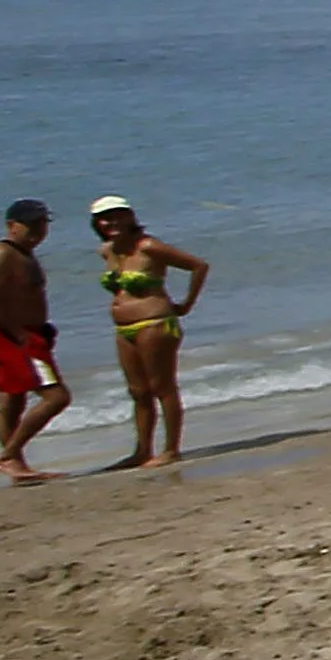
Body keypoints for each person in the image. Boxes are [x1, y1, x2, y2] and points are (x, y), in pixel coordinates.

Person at [84, 198, 209, 469]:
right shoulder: (106, 251)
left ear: (130, 217)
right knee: (138, 391)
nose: (111, 222)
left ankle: (171, 449)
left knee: (162, 387)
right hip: (124, 329)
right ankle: (142, 451)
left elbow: (198, 266)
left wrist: (186, 304)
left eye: (117, 216)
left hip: (155, 324)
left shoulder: (149, 247)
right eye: (104, 218)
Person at [0, 198, 72, 481]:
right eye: (30, 224)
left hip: (21, 333)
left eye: (42, 224)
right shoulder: (0, 254)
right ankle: (8, 456)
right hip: (14, 336)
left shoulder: (22, 253)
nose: (38, 230)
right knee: (56, 397)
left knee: (12, 401)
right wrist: (18, 334)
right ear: (11, 225)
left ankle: (17, 467)